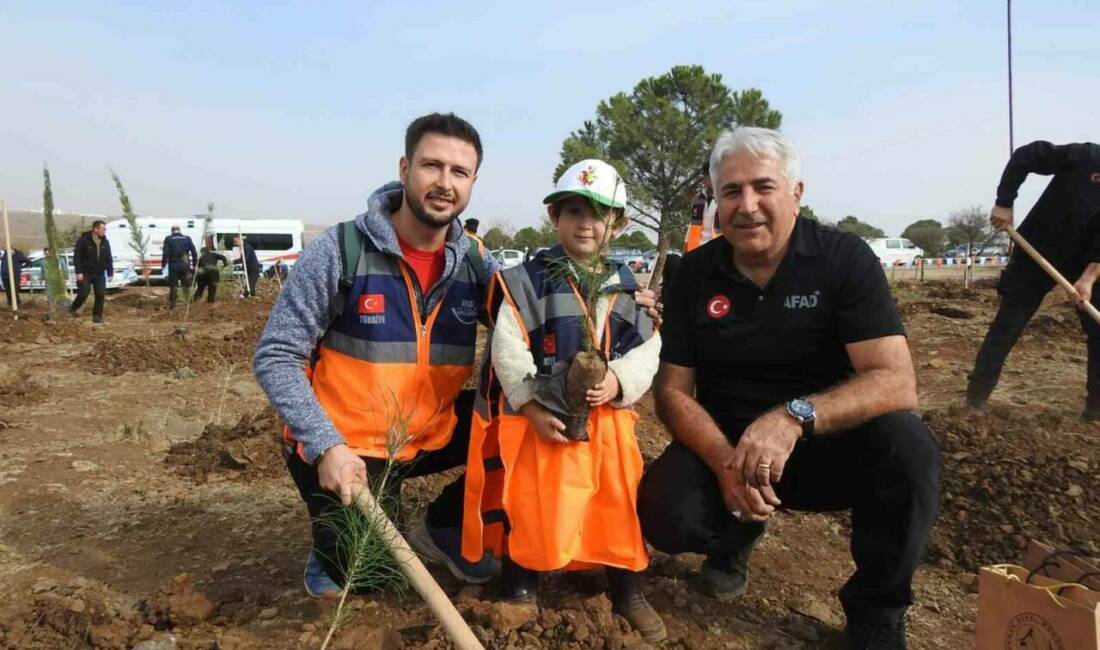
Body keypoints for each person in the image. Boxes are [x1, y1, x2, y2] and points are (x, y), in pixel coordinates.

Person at [636, 128, 941, 650]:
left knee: (909, 448)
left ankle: (877, 616)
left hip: (826, 444)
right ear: (715, 201)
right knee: (665, 514)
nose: (747, 206)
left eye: (763, 187)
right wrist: (725, 462)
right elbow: (673, 392)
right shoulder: (694, 275)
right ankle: (735, 538)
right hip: (730, 447)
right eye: (730, 192)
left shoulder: (843, 259)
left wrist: (793, 417)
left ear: (796, 192)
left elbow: (896, 381)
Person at [252, 112, 504, 598]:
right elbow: (277, 355)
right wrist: (326, 444)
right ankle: (335, 546)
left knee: (520, 430)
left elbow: (529, 316)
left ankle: (444, 527)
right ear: (405, 167)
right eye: (432, 166)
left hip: (429, 433)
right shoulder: (342, 249)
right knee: (368, 577)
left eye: (459, 173)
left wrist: (620, 311)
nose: (444, 183)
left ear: (473, 183)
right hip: (348, 445)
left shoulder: (474, 262)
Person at [461, 159, 665, 642]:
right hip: (541, 422)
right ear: (555, 217)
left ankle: (626, 587)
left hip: (608, 426)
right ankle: (521, 584)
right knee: (531, 504)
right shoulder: (526, 280)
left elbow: (650, 348)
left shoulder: (631, 288)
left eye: (599, 213)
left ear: (619, 224)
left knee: (615, 503)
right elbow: (508, 348)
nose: (586, 223)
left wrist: (618, 380)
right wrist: (530, 404)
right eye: (573, 210)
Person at [967, 141, 1100, 417]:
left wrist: (1088, 278)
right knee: (1008, 324)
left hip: (1088, 259)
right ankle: (974, 402)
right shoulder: (1086, 156)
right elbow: (1026, 155)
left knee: (1098, 332)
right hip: (1039, 249)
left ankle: (1095, 412)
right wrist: (1004, 202)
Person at [70, 220, 114, 323]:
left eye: (105, 229)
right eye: (103, 229)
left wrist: (110, 272)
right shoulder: (83, 240)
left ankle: (97, 316)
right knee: (84, 292)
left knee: (100, 294)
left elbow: (108, 258)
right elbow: (77, 257)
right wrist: (78, 271)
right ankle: (73, 309)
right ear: (96, 229)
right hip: (85, 273)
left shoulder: (105, 242)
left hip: (99, 273)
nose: (104, 231)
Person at [684, 160, 719, 253]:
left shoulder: (725, 197)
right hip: (696, 250)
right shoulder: (698, 198)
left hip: (718, 250)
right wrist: (686, 250)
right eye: (708, 176)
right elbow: (692, 227)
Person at [161, 226, 198, 309]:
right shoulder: (187, 238)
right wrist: (195, 264)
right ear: (179, 230)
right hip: (185, 265)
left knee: (173, 285)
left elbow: (165, 253)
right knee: (186, 285)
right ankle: (188, 304)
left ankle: (173, 305)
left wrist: (163, 264)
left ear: (172, 231)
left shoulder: (168, 239)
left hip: (173, 265)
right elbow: (194, 251)